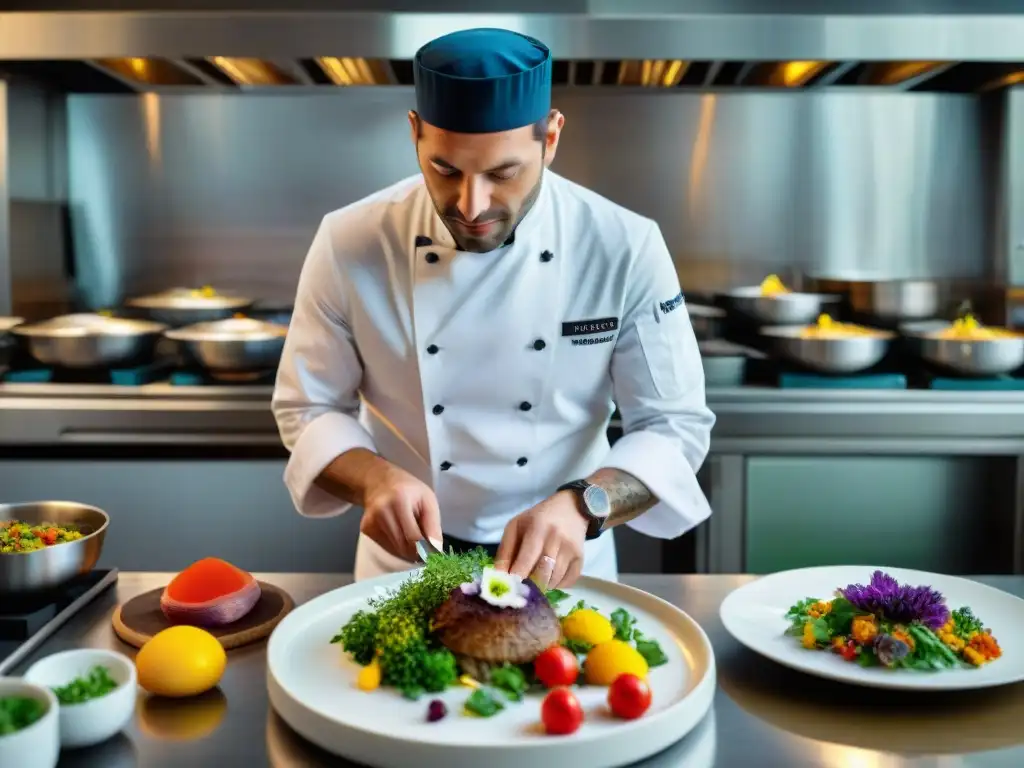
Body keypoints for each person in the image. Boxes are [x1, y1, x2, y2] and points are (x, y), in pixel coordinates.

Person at [272, 27, 715, 588]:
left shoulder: (623, 244)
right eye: (445, 169)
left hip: (564, 566)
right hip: (405, 568)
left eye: (503, 173)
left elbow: (673, 425)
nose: (471, 205)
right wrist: (374, 481)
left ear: (550, 139)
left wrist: (585, 505)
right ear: (414, 134)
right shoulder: (350, 240)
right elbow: (307, 408)